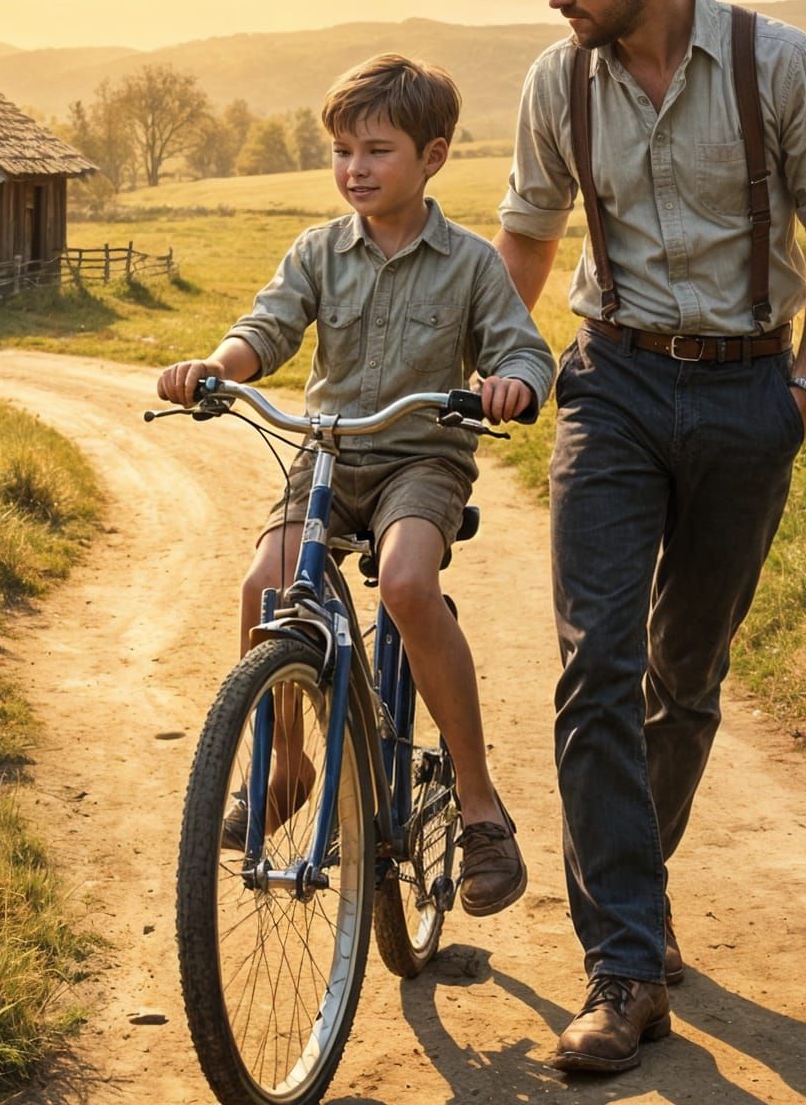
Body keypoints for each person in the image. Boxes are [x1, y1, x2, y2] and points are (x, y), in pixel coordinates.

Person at [493, 0, 806, 1073]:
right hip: (611, 382)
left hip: (750, 388)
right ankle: (622, 965)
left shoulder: (783, 65)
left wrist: (801, 392)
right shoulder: (560, 82)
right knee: (594, 661)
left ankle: (635, 902)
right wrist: (493, 370)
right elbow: (528, 234)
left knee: (683, 673)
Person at [159, 53, 555, 915]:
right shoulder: (317, 253)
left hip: (422, 457)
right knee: (266, 582)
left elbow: (522, 347)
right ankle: (287, 765)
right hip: (328, 454)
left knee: (410, 583)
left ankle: (483, 812)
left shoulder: (471, 265)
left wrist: (511, 383)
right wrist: (217, 368)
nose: (354, 170)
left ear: (433, 156)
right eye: (342, 152)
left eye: (376, 151)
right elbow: (265, 328)